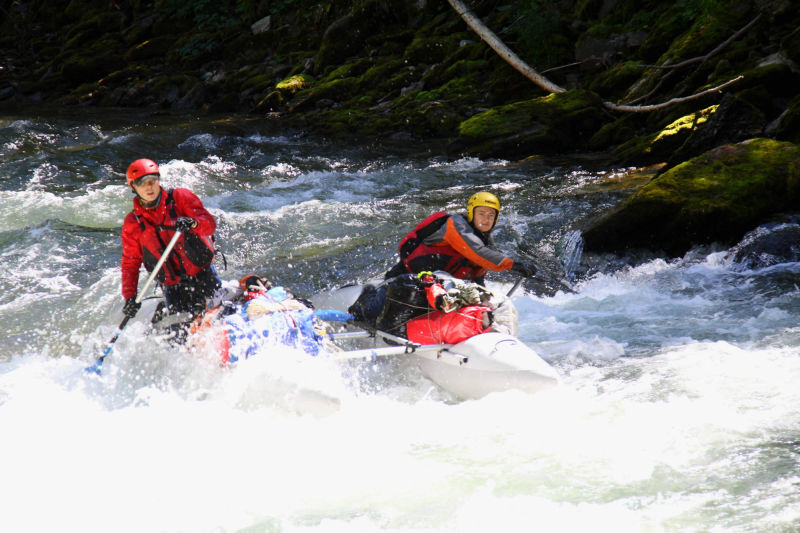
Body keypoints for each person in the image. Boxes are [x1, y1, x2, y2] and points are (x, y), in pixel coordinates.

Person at [120, 158, 220, 321]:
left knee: (218, 314)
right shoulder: (133, 224)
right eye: (142, 183)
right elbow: (130, 263)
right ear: (133, 187)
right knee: (179, 330)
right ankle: (164, 309)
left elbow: (209, 225)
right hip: (172, 285)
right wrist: (130, 297)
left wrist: (194, 223)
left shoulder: (181, 198)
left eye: (152, 181)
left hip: (202, 273)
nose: (149, 187)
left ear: (158, 180)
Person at [384, 191, 535, 285]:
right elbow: (477, 252)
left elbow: (479, 271)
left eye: (491, 215)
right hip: (412, 276)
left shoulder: (485, 241)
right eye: (481, 213)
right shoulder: (456, 225)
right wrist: (513, 265)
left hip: (441, 282)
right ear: (471, 213)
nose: (486, 219)